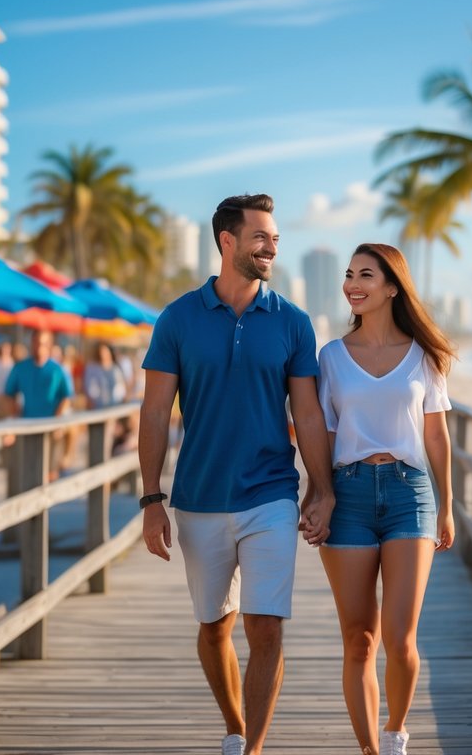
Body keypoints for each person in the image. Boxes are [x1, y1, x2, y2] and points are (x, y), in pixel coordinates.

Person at [138, 193, 334, 755]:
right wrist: (152, 499)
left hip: (270, 492)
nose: (272, 246)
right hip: (198, 496)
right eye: (261, 237)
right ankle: (233, 726)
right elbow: (154, 412)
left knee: (266, 626)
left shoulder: (293, 323)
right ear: (228, 241)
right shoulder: (177, 318)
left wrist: (321, 489)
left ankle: (253, 750)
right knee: (214, 626)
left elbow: (309, 413)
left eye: (275, 238)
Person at [315, 243, 454, 755]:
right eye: (349, 275)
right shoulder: (330, 357)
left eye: (365, 275)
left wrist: (447, 505)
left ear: (392, 286)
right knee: (359, 639)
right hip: (347, 495)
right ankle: (371, 750)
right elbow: (322, 434)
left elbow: (436, 437)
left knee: (401, 641)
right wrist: (319, 494)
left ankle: (396, 730)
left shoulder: (425, 357)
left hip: (409, 495)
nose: (353, 283)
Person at [3, 330, 73, 483]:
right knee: (27, 470)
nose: (37, 347)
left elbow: (66, 396)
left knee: (50, 473)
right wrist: (14, 415)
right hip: (27, 427)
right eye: (34, 342)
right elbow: (9, 393)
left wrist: (57, 420)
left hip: (50, 428)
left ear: (48, 345)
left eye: (41, 343)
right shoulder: (21, 368)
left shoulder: (57, 370)